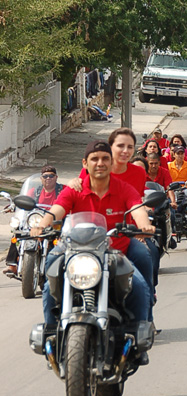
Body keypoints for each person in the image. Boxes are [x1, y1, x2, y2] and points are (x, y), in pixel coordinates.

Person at [30, 141, 155, 360]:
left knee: (140, 286)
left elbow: (137, 207)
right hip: (75, 253)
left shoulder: (123, 188)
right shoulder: (75, 189)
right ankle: (52, 335)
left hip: (114, 252)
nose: (100, 163)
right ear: (85, 164)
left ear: (111, 162)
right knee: (50, 283)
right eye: (94, 159)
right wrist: (42, 224)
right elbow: (58, 209)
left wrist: (144, 224)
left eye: (105, 159)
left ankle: (138, 341)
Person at [4, 165, 65, 276]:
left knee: (62, 239)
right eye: (45, 176)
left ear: (56, 177)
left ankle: (60, 266)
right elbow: (24, 201)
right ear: (41, 178)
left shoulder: (63, 190)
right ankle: (12, 265)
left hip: (56, 221)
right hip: (36, 220)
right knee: (18, 231)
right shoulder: (35, 191)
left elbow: (71, 200)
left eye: (51, 176)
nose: (48, 178)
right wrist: (14, 206)